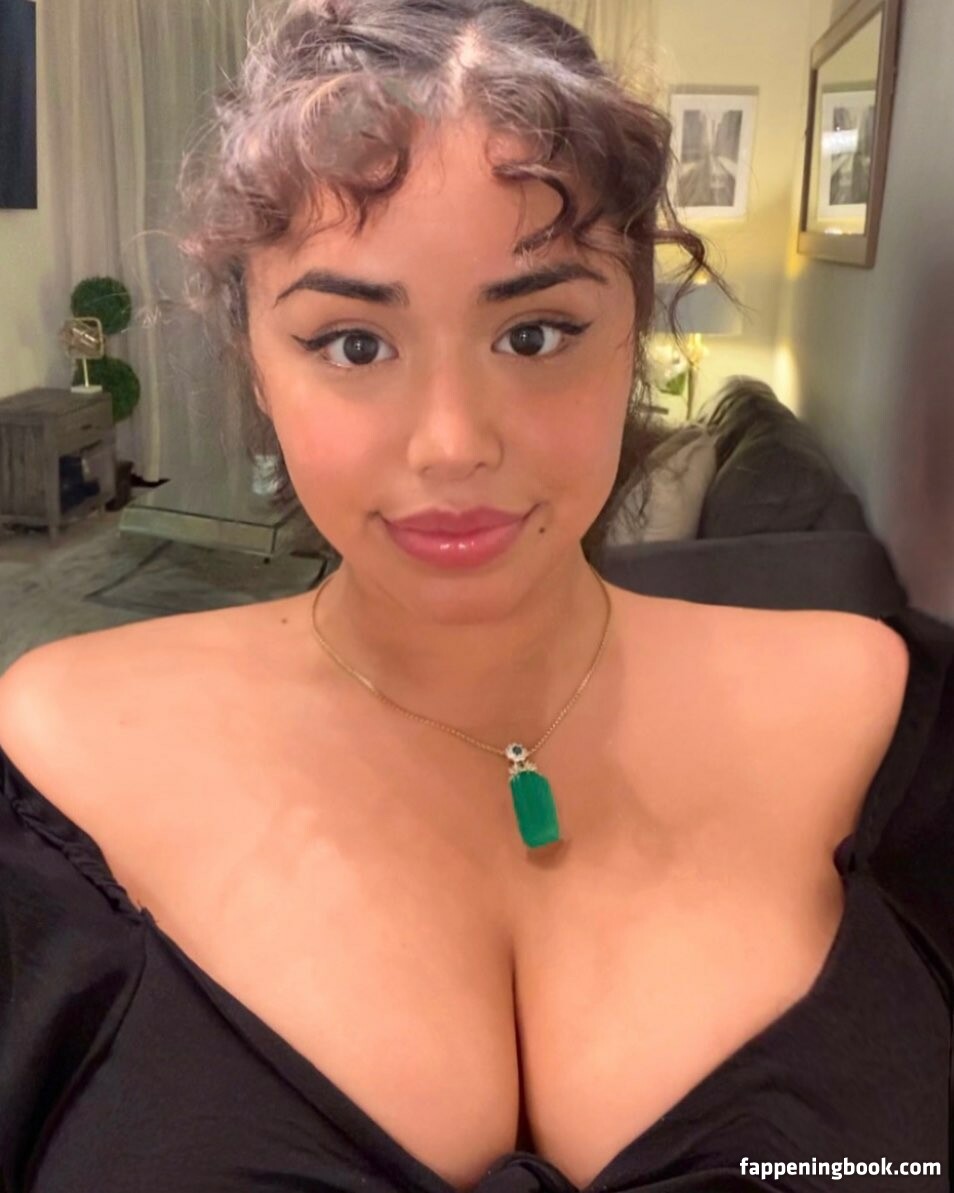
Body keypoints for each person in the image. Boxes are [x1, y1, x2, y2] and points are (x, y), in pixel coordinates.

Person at [1, 2, 953, 1190]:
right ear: (256, 358)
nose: (452, 443)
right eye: (354, 344)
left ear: (634, 327)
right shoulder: (55, 768)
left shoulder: (890, 720)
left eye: (537, 332)